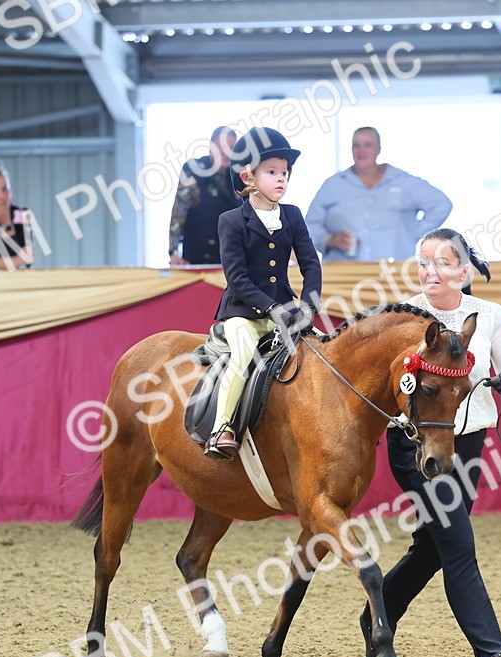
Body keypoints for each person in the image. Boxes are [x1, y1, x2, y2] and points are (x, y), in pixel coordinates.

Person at [360, 228, 501, 657]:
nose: (430, 272)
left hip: (467, 446)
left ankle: (376, 617)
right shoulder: (400, 318)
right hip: (416, 446)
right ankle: (491, 651)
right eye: (423, 263)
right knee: (458, 544)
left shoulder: (489, 316)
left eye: (442, 263)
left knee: (433, 547)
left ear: (464, 272)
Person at [205, 127, 322, 458]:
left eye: (284, 172)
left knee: (324, 352)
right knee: (243, 356)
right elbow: (237, 278)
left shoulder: (293, 215)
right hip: (244, 313)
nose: (281, 178)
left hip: (286, 310)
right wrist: (271, 308)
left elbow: (311, 264)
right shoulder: (230, 221)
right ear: (248, 177)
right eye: (271, 172)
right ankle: (221, 428)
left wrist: (309, 306)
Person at [306, 127, 453, 262]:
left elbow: (441, 204)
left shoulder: (404, 182)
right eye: (356, 145)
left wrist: (412, 234)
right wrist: (329, 240)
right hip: (342, 273)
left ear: (378, 149)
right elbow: (309, 226)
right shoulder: (333, 185)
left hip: (393, 272)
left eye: (368, 145)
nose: (361, 151)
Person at [169, 126, 240, 266]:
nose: (227, 153)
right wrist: (173, 251)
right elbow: (179, 211)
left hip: (230, 260)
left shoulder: (239, 175)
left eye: (232, 148)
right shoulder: (193, 169)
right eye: (222, 147)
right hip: (195, 256)